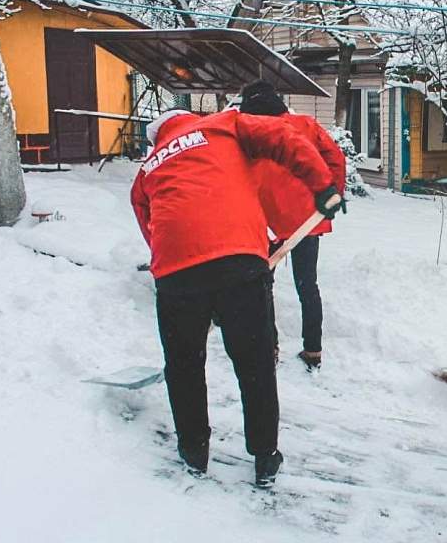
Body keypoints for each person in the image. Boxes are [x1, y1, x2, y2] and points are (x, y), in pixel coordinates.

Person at [130, 107, 343, 487]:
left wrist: (177, 259)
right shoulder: (223, 123)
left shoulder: (148, 167)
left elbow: (146, 216)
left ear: (158, 138)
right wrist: (323, 185)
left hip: (176, 273)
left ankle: (194, 451)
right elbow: (284, 139)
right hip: (239, 260)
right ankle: (264, 454)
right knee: (254, 363)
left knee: (184, 365)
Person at [239, 80, 347, 372]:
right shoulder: (304, 125)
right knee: (307, 285)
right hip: (306, 220)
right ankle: (313, 350)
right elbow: (336, 158)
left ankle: (269, 347)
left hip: (265, 222)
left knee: (263, 286)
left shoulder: (245, 131)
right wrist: (333, 193)